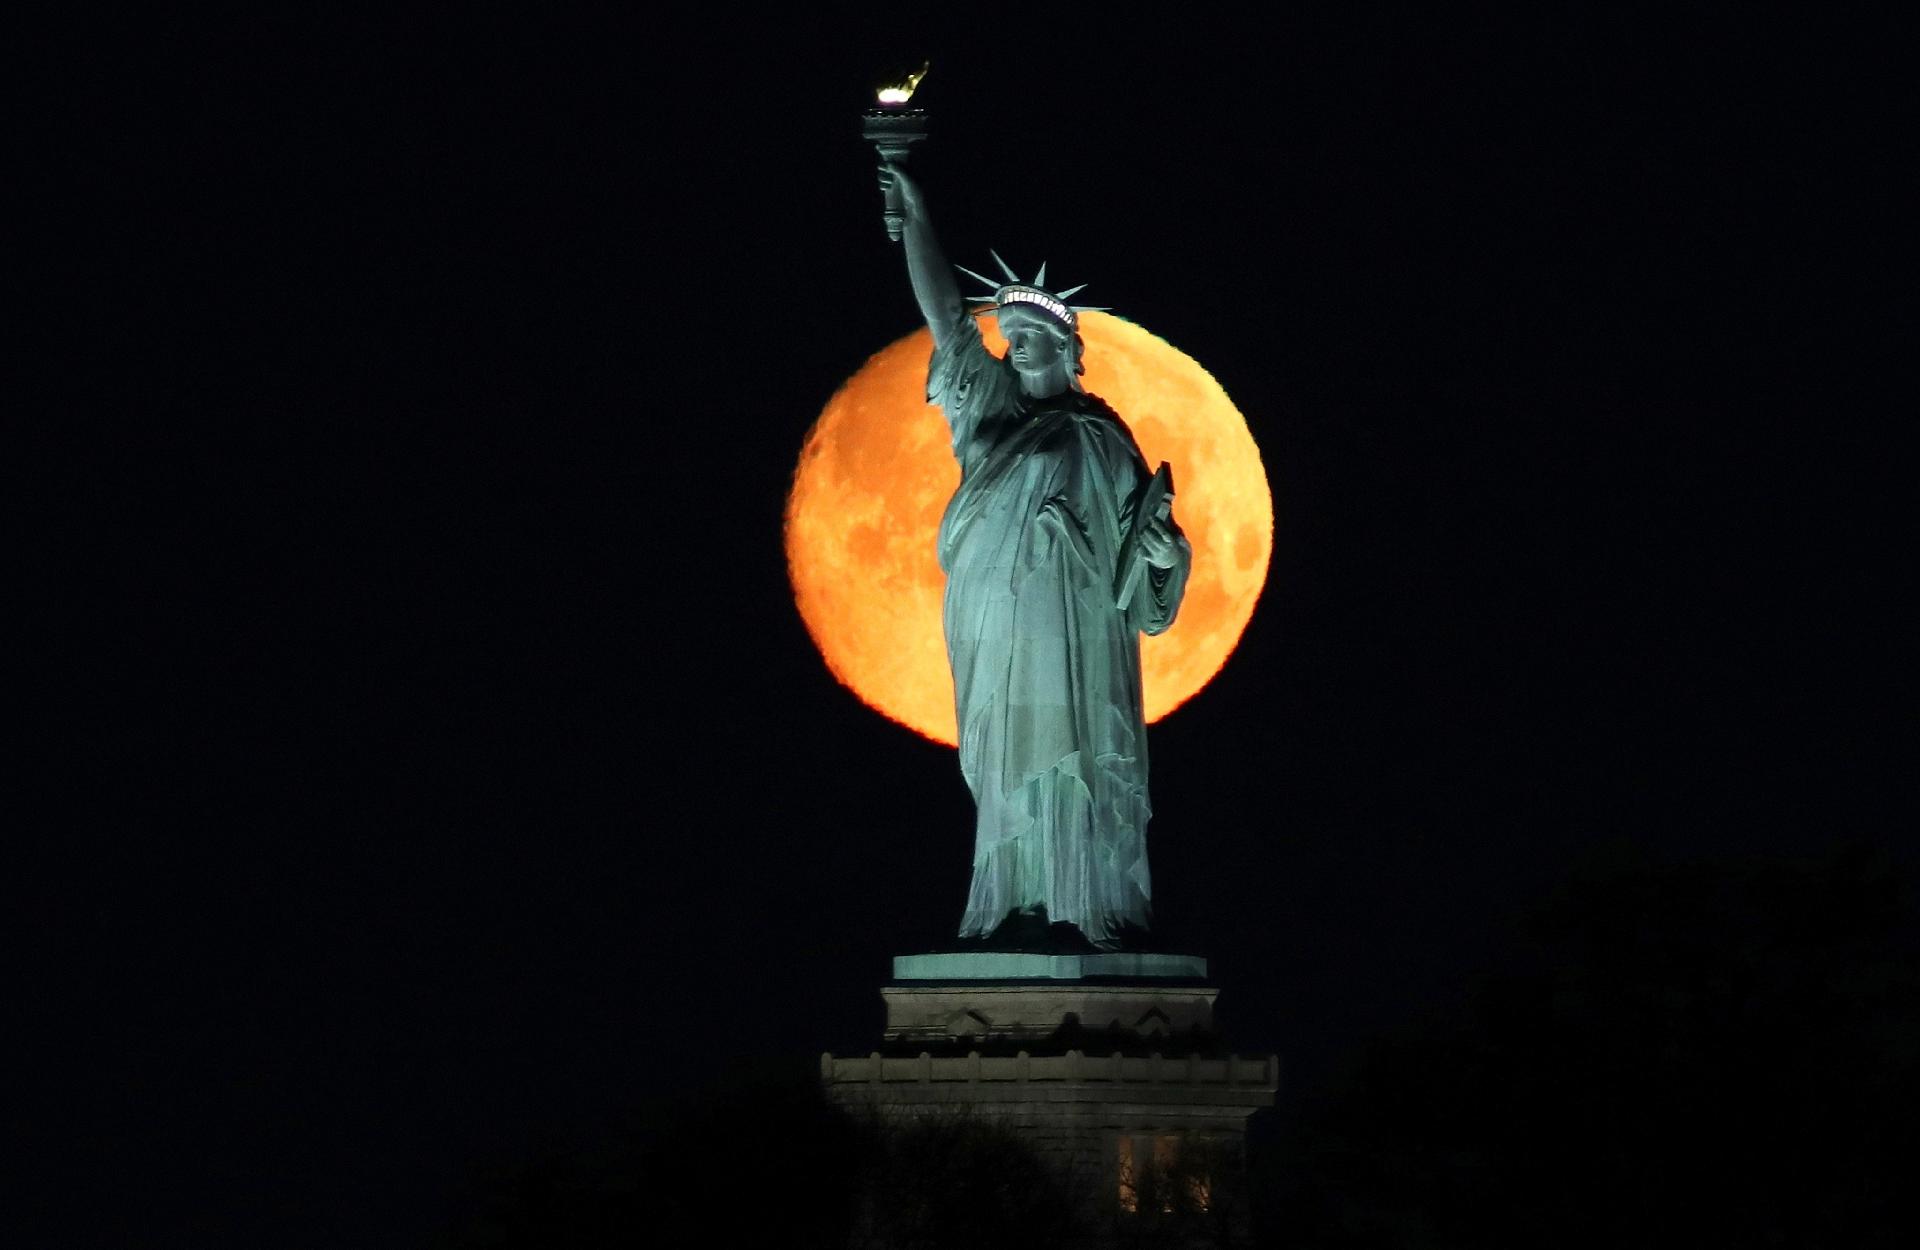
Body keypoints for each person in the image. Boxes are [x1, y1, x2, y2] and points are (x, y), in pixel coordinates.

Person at [879, 161, 1191, 949]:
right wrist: (917, 218)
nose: (1014, 347)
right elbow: (948, 321)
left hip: (1081, 625)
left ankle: (1081, 901)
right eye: (1008, 336)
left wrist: (1167, 556)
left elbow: (1145, 571)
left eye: (1030, 337)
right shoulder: (986, 409)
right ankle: (1013, 897)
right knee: (1008, 751)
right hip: (996, 617)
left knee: (1078, 748)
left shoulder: (1103, 435)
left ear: (1065, 345)